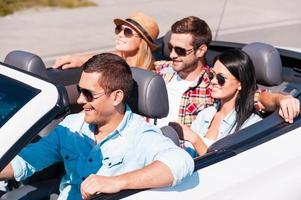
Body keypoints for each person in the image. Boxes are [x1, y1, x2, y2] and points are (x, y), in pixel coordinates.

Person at [0, 53, 194, 200]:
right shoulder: (72, 125)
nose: (80, 99)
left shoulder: (140, 136)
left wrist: (117, 182)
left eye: (88, 94)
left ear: (117, 97)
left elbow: (181, 162)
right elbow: (26, 161)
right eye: (79, 91)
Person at [154, 16, 300, 128]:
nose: (172, 55)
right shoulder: (160, 70)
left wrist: (282, 100)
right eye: (170, 47)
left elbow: (259, 97)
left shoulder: (216, 83)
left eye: (180, 50)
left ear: (201, 50)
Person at [175, 49, 262, 157]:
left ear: (240, 84)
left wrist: (195, 139)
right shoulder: (205, 114)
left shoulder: (251, 123)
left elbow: (227, 166)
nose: (213, 81)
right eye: (212, 75)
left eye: (221, 78)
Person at [53, 12, 159, 71]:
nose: (120, 35)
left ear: (143, 42)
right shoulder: (117, 61)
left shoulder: (154, 72)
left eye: (127, 32)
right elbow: (111, 55)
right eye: (118, 29)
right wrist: (81, 59)